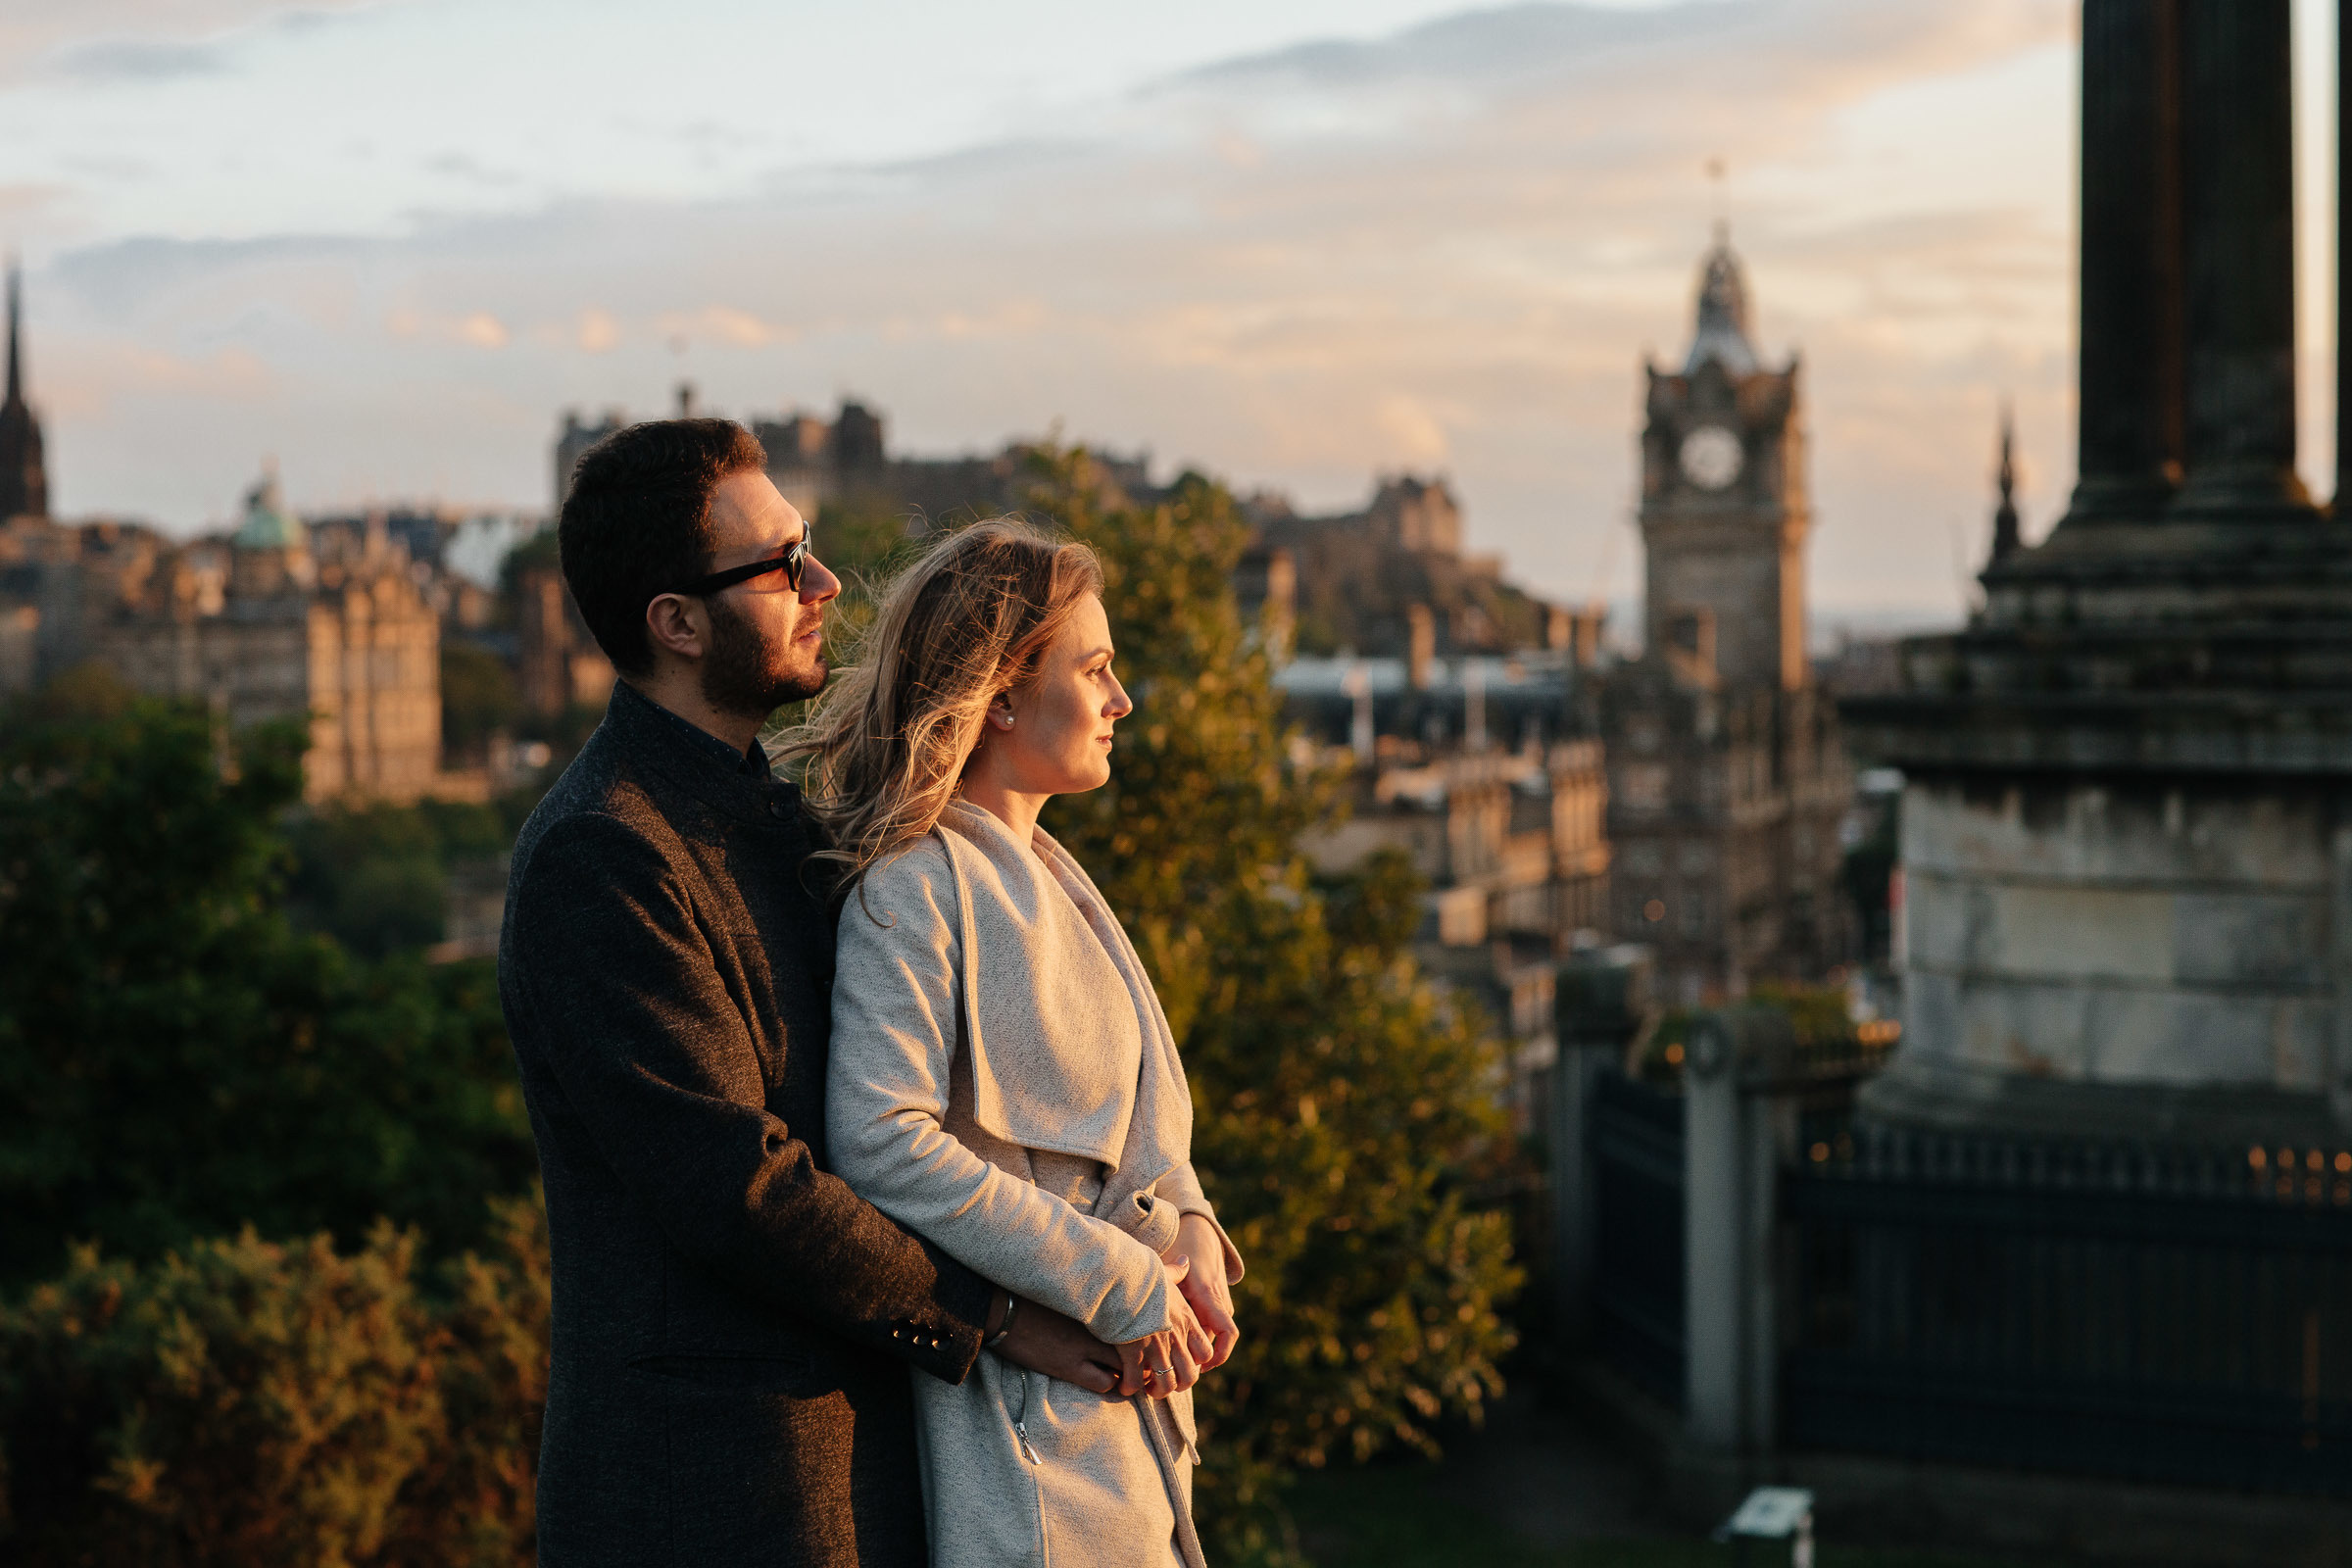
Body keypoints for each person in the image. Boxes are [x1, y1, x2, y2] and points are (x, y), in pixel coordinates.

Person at [500, 421, 1132, 1568]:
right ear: (676, 624)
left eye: (812, 549)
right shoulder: (600, 855)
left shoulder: (793, 829)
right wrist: (995, 1320)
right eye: (783, 566)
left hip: (854, 1477)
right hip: (710, 1499)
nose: (826, 585)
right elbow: (738, 1185)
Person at [785, 519, 1244, 1568]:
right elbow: (883, 1139)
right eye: (1095, 671)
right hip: (1031, 1446)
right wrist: (1120, 1280)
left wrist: (1197, 1232)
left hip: (1132, 1424)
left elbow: (1140, 1128)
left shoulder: (1059, 876)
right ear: (997, 695)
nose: (1121, 701)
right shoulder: (913, 885)